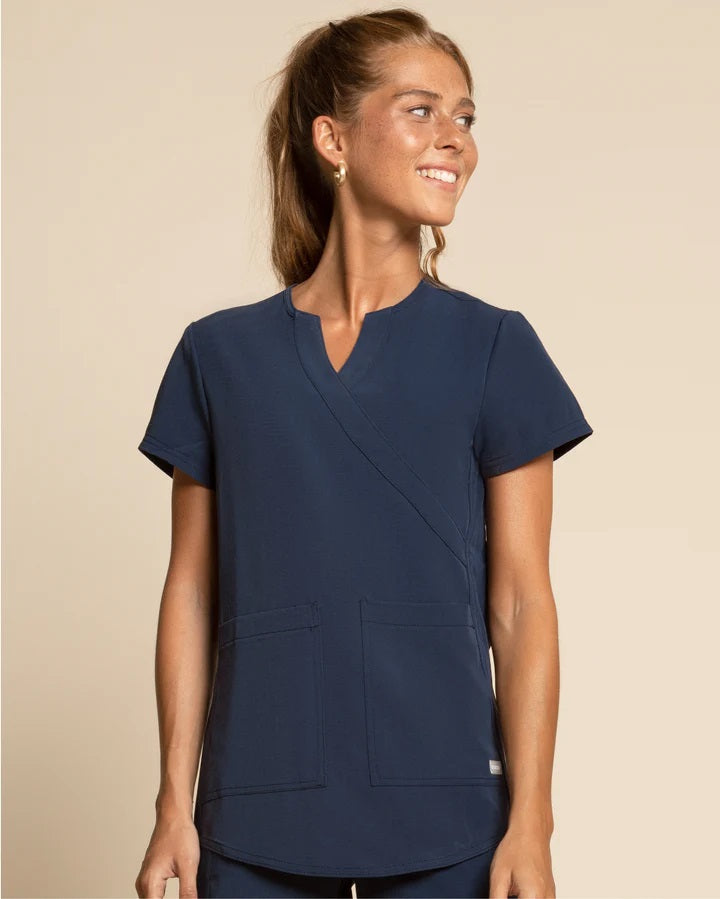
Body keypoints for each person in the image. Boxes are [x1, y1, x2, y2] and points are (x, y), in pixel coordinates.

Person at [134, 8, 593, 899]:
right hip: (254, 810)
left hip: (450, 815)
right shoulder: (218, 356)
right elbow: (190, 592)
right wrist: (172, 807)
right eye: (421, 109)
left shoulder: (495, 348)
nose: (455, 139)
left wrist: (531, 824)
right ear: (333, 139)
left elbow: (521, 602)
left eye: (465, 117)